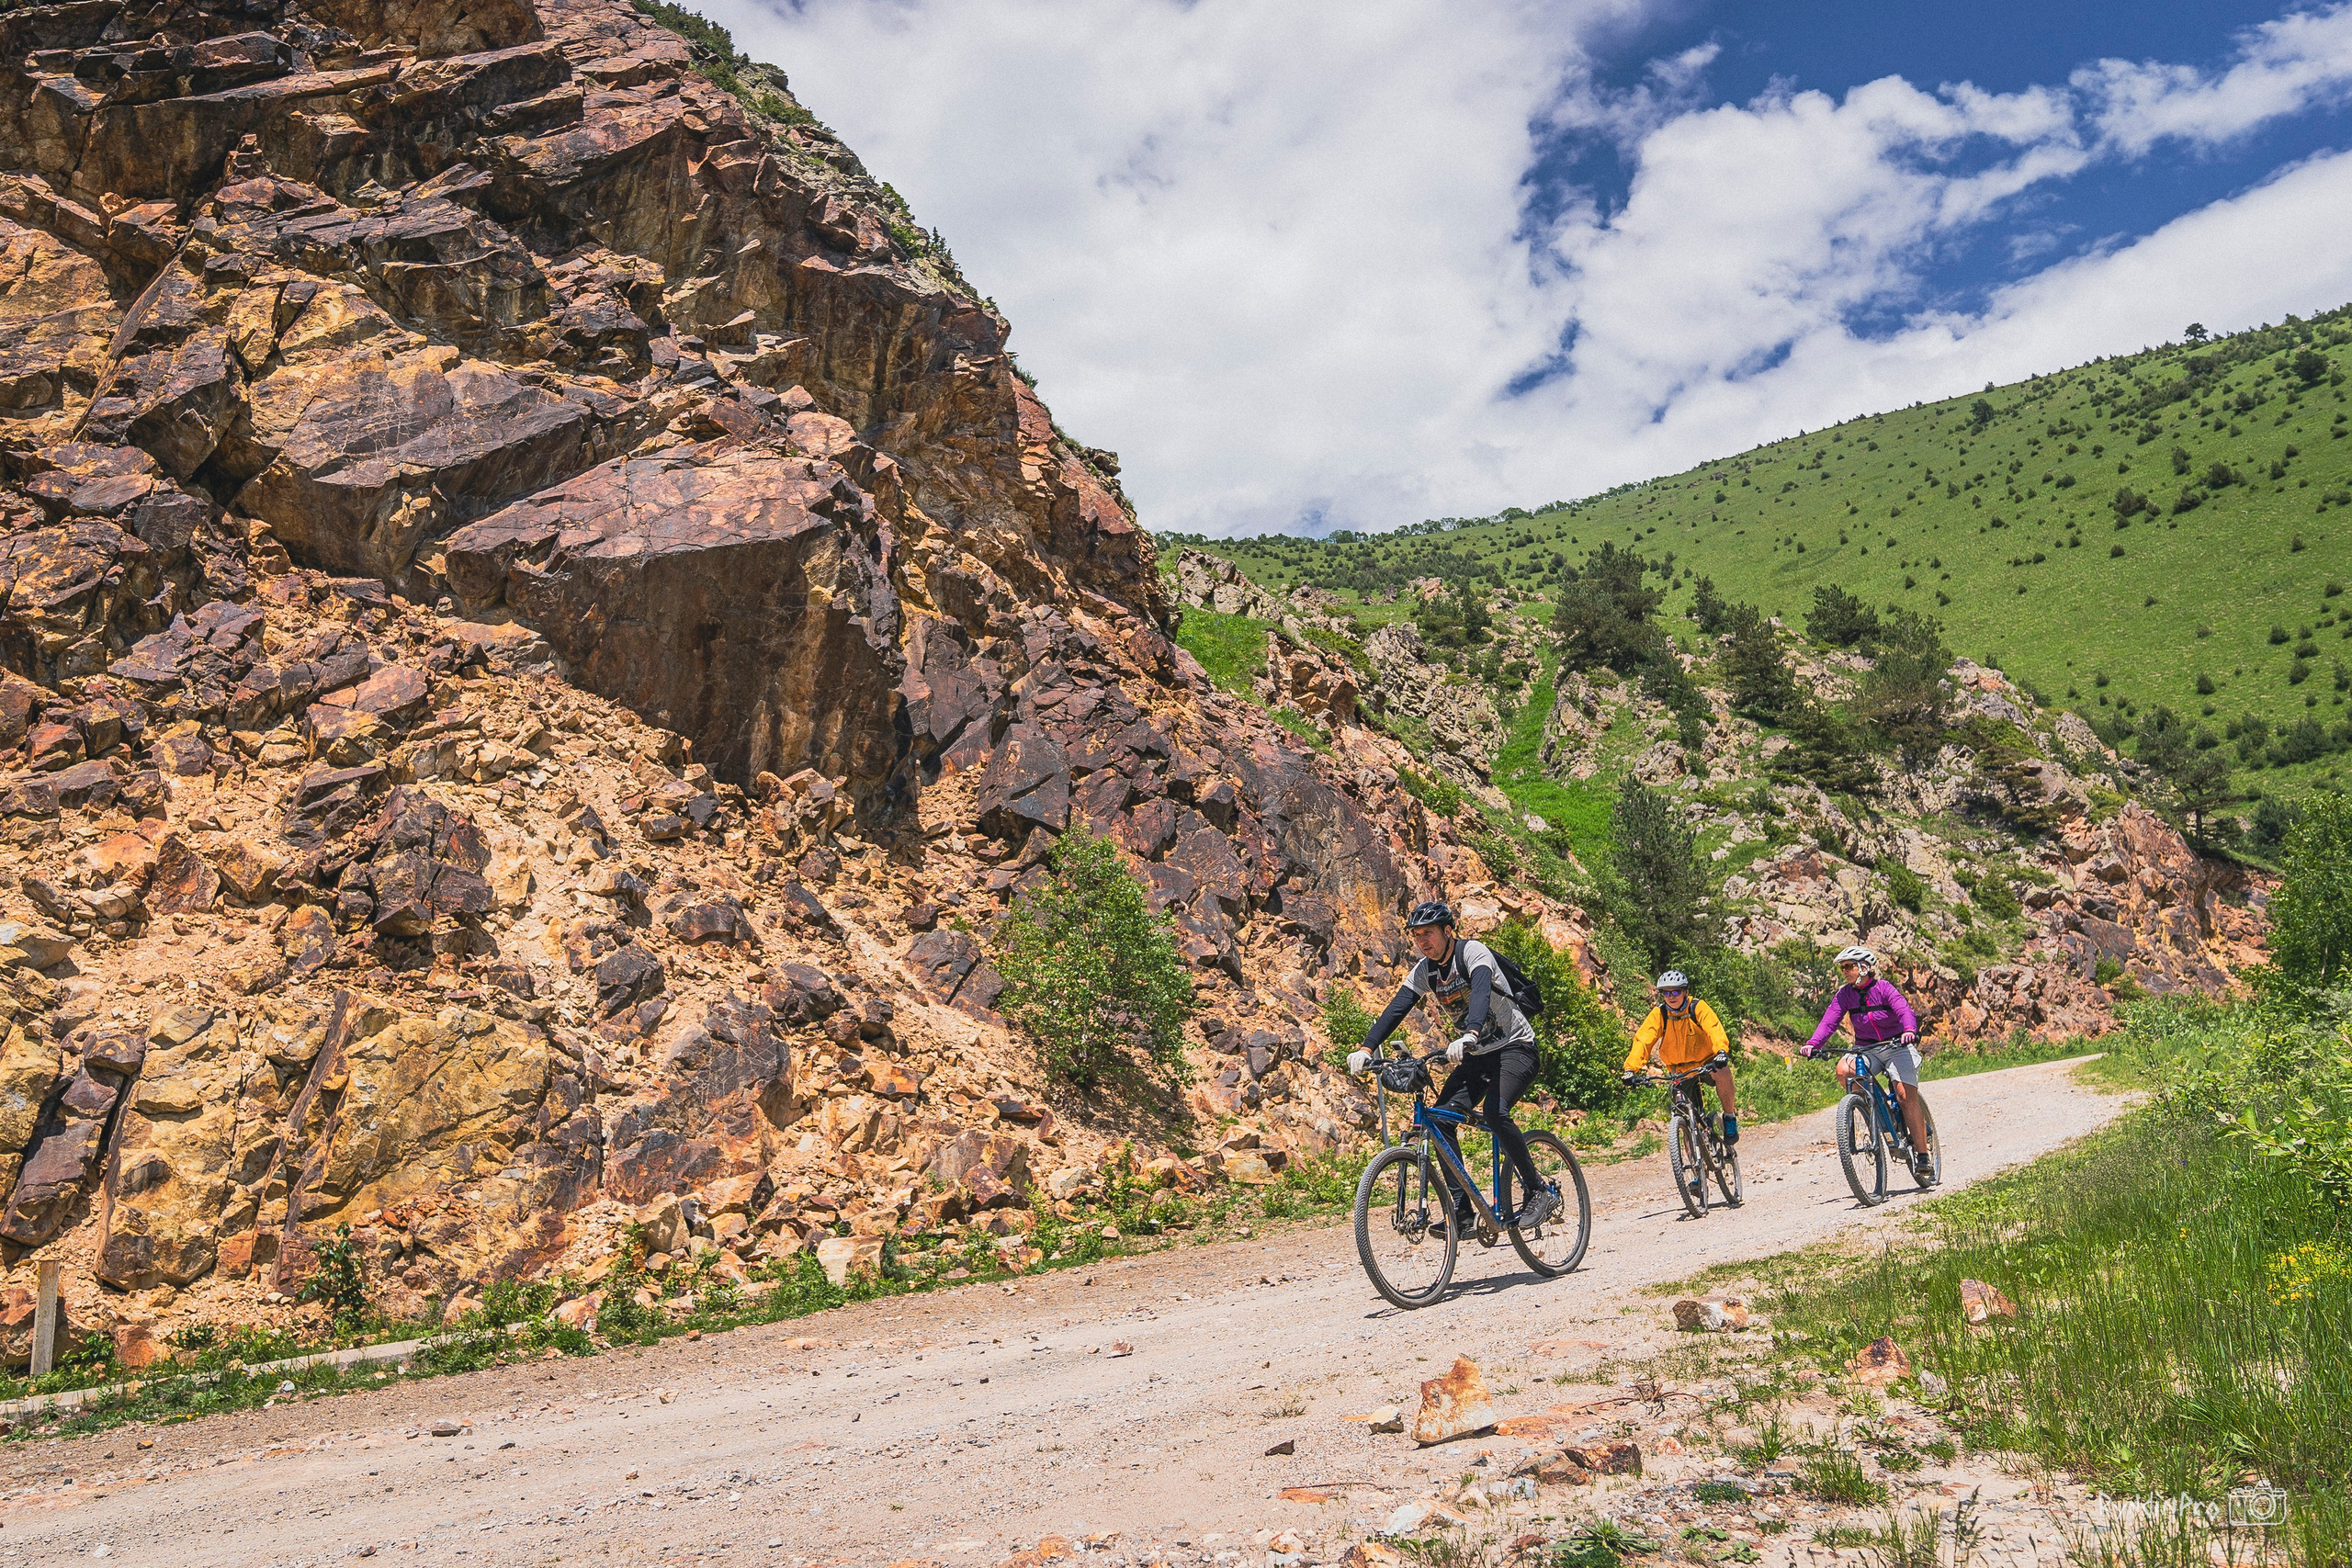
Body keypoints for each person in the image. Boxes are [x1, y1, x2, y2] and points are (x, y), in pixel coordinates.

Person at [1345, 900, 1551, 1235]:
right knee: (1439, 1121)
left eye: (1429, 933)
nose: (1423, 941)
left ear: (1448, 931)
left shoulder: (1473, 954)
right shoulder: (1425, 971)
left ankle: (1536, 1189)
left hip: (1516, 1047)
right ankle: (1462, 1210)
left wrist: (1470, 1033)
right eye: (1416, 935)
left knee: (1496, 1113)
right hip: (1478, 1055)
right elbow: (1396, 1009)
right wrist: (1367, 1047)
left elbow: (1481, 994)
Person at [1801, 945, 1933, 1179]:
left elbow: (1904, 1010)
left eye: (1849, 967)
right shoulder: (1845, 994)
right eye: (1843, 968)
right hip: (1866, 1049)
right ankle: (1869, 1107)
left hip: (1896, 1046)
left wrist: (1910, 1030)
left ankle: (1923, 1155)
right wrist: (1813, 1043)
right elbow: (1829, 1022)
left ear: (1864, 967)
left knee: (1904, 1096)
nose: (1845, 972)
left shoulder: (1883, 988)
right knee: (1843, 1070)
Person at [1619, 970, 1737, 1145]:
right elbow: (1643, 1040)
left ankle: (1729, 1117)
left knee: (1723, 1072)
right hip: (1679, 1070)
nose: (1671, 996)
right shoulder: (1660, 1014)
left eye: (1676, 991)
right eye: (1666, 992)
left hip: (1706, 1061)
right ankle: (1694, 1166)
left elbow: (1713, 1028)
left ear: (1685, 992)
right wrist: (1630, 1069)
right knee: (1685, 1123)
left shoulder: (1697, 1007)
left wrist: (1721, 1051)